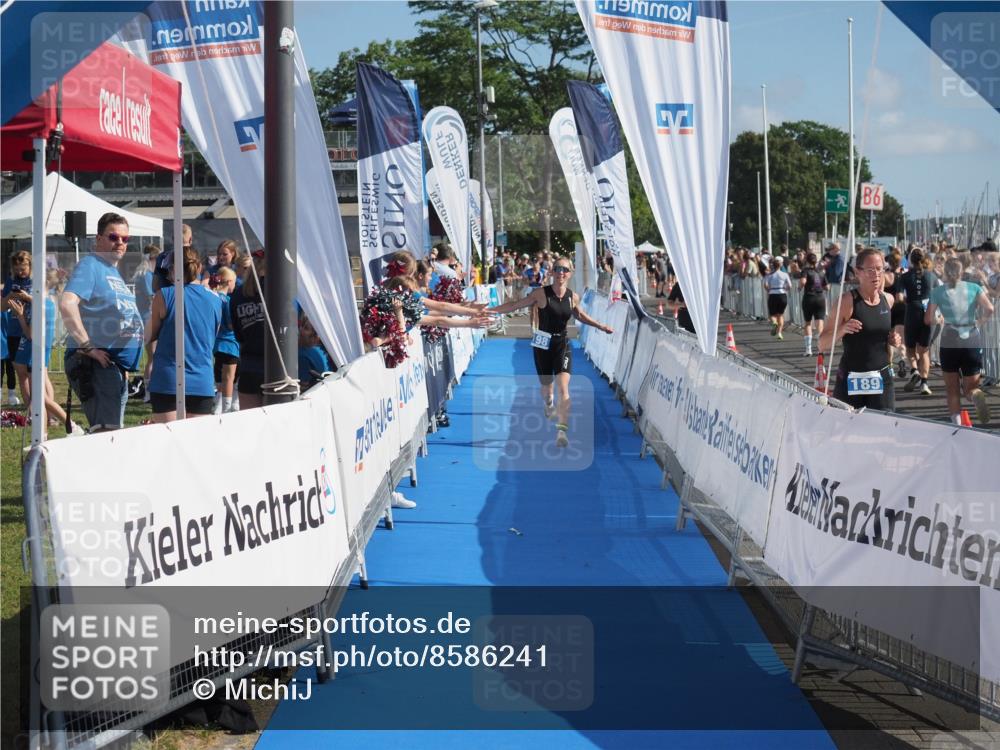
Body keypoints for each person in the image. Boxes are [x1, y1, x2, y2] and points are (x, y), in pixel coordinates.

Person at [487, 257, 613, 448]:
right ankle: (548, 403)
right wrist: (491, 311)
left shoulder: (573, 296)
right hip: (542, 342)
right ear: (552, 272)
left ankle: (561, 431)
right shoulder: (540, 294)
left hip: (562, 343)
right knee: (547, 388)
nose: (561, 273)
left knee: (564, 388)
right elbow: (516, 305)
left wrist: (600, 326)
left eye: (565, 269)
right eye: (557, 269)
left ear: (570, 273)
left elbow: (579, 315)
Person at [60, 213, 144, 432]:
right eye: (113, 237)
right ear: (98, 239)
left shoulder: (112, 271)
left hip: (113, 365)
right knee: (106, 433)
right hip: (94, 364)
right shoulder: (90, 265)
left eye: (125, 239)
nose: (120, 243)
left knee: (113, 434)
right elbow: (67, 304)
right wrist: (87, 347)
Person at [146, 248, 223, 423]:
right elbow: (212, 335)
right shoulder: (215, 299)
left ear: (172, 269)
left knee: (168, 444)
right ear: (199, 267)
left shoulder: (165, 295)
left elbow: (149, 335)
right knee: (195, 446)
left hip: (167, 380)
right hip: (202, 379)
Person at [819, 247, 901, 411]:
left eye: (879, 269)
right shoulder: (847, 302)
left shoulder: (888, 300)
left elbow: (881, 336)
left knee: (883, 430)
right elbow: (821, 344)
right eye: (870, 270)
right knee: (847, 431)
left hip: (882, 377)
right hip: (852, 378)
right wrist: (842, 329)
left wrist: (893, 340)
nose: (876, 274)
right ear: (858, 272)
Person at [9, 270, 84, 435]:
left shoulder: (41, 305)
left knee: (41, 399)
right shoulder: (44, 302)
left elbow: (31, 335)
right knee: (39, 399)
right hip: (35, 353)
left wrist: (20, 316)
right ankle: (43, 433)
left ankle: (71, 425)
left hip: (34, 353)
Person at [925, 258, 994, 425]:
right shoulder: (974, 288)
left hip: (950, 337)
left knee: (952, 389)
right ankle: (975, 395)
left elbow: (928, 319)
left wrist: (939, 320)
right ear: (962, 272)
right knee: (971, 387)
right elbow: (990, 308)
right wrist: (980, 322)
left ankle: (957, 425)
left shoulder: (938, 292)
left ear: (945, 273)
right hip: (971, 336)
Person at [229, 250, 267, 410]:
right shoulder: (281, 291)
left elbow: (238, 333)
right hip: (278, 369)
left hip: (249, 369)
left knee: (253, 429)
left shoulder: (238, 295)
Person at [898, 247, 938, 396]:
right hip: (928, 313)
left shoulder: (904, 277)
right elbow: (939, 295)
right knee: (925, 351)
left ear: (910, 260)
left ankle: (914, 370)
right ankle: (924, 384)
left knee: (910, 349)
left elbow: (899, 298)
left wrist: (908, 300)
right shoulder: (931, 276)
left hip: (912, 312)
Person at [2, 250, 32, 405]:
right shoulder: (10, 280)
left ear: (30, 265)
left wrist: (28, 298)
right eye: (17, 269)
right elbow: (1, 307)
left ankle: (43, 408)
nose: (20, 272)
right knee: (21, 374)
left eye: (23, 268)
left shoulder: (36, 280)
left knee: (34, 374)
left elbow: (46, 304)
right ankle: (30, 409)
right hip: (14, 333)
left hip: (31, 332)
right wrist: (9, 297)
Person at [209, 267, 240, 413]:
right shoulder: (227, 301)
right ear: (228, 282)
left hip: (216, 344)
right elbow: (230, 324)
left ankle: (218, 404)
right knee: (229, 377)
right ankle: (227, 407)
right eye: (234, 281)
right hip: (229, 343)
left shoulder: (212, 296)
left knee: (220, 376)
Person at [799, 253, 827, 356]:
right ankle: (821, 349)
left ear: (807, 260)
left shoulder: (805, 271)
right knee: (820, 324)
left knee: (808, 323)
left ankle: (808, 350)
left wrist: (799, 287)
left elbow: (803, 281)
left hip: (809, 298)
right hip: (820, 298)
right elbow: (827, 287)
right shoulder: (821, 272)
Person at [153, 223, 193, 292]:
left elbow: (155, 286)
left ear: (172, 239)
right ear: (190, 239)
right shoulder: (194, 258)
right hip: (190, 299)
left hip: (166, 299)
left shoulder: (162, 257)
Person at [298, 315, 333, 391]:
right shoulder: (326, 350)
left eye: (306, 328)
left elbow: (303, 387)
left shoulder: (302, 355)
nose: (300, 329)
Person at [763, 257, 792, 340]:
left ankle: (774, 322)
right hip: (782, 295)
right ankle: (779, 333)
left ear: (773, 266)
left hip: (773, 294)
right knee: (780, 315)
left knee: (772, 314)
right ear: (780, 265)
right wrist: (785, 289)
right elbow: (790, 285)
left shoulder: (769, 275)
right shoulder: (785, 274)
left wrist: (769, 290)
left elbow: (765, 285)